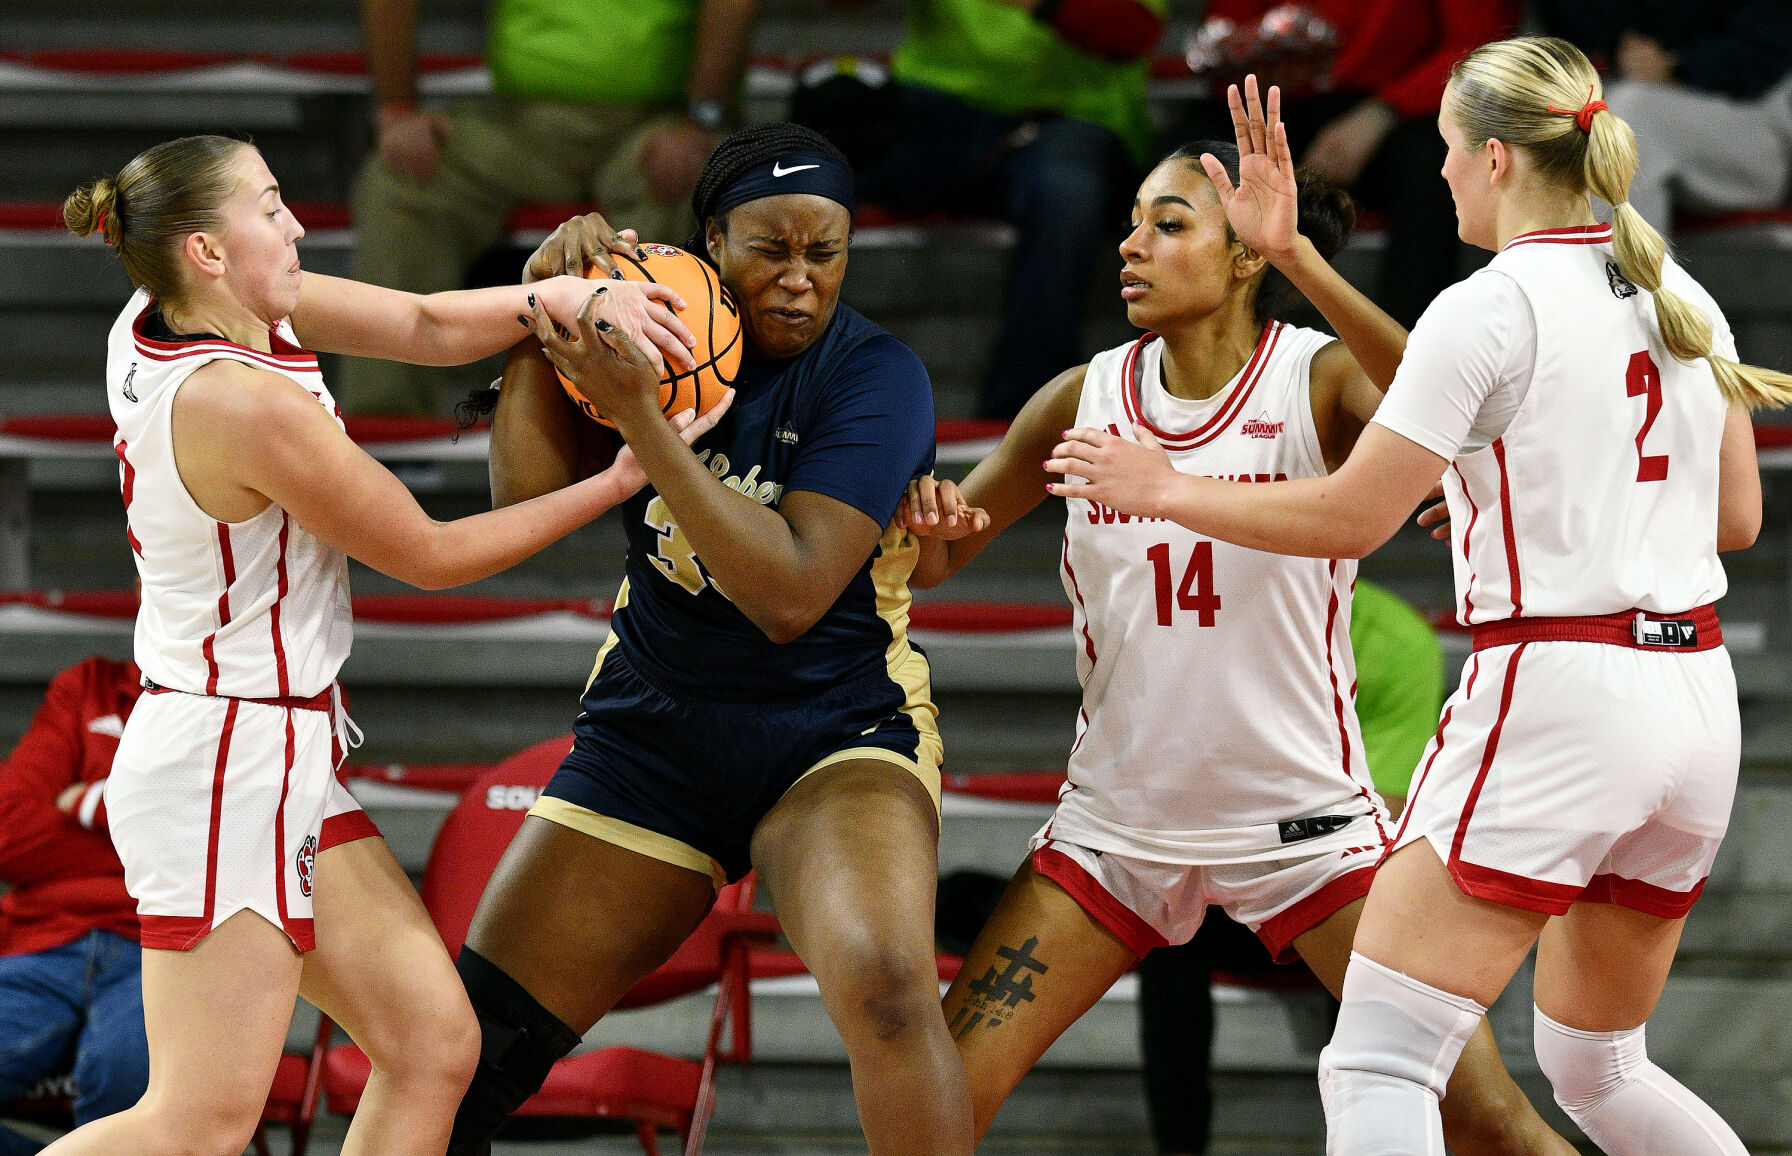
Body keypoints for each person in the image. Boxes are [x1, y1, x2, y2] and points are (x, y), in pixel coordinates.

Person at [1045, 38, 1790, 1155]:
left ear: (1494, 157)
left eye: (1443, 151)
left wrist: (1166, 486)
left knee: (1380, 1058)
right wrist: (1512, 488)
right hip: (1691, 702)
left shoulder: (1488, 304)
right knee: (1600, 1066)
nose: (1435, 173)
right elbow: (1733, 519)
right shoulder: (1675, 288)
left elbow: (1352, 516)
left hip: (1559, 692)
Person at [899, 80, 1569, 1154]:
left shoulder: (1316, 381)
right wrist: (922, 510)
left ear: (1246, 252)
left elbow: (1458, 405)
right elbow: (937, 558)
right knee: (926, 1106)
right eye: (1129, 224)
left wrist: (1307, 259)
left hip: (1305, 828)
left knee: (1490, 1119)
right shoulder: (1080, 397)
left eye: (1168, 225)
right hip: (1116, 827)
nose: (1131, 245)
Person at [45, 133, 723, 1156]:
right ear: (207, 251)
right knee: (197, 1119)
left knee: (432, 1044)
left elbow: (422, 320)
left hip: (272, 755)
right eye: (269, 208)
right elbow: (431, 552)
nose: (298, 224)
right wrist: (628, 476)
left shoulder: (170, 310)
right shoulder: (240, 402)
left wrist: (577, 301)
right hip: (226, 768)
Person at [442, 124, 964, 1156]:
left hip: (834, 730)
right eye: (770, 249)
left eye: (826, 252)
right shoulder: (648, 324)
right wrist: (550, 318)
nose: (800, 282)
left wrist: (641, 424)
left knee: (895, 991)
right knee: (462, 1053)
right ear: (711, 241)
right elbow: (522, 508)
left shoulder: (877, 376)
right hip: (655, 735)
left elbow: (791, 594)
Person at [1135, 579, 1444, 1155]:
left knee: (1372, 924)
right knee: (1165, 936)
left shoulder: (1398, 638)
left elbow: (1383, 814)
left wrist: (1257, 819)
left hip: (1336, 874)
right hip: (1225, 879)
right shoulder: (1214, 628)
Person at [342, 0, 760, 413]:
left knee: (690, 177)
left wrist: (702, 116)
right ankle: (382, 433)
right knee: (397, 181)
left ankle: (666, 413)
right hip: (520, 122)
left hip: (658, 123)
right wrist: (397, 110)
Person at [811, 0, 1165, 418]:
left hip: (1070, 116)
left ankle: (1029, 419)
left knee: (1066, 198)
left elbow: (1133, 30)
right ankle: (806, 396)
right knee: (813, 154)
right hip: (934, 101)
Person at [1179, 0, 1520, 328]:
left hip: (1392, 106)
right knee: (1190, 157)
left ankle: (1406, 356)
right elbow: (1230, 26)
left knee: (1434, 161)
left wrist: (1385, 110)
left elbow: (1477, 48)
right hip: (1275, 97)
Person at [0, 657, 146, 1156]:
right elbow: (7, 831)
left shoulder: (271, 692)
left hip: (170, 944)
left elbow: (234, 841)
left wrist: (87, 803)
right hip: (43, 942)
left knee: (134, 1087)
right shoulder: (87, 685)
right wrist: (151, 841)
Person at [1536, 0, 1792, 234]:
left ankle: (1623, 282)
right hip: (1643, 103)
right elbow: (1575, 25)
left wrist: (1677, 65)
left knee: (1625, 116)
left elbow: (1764, 53)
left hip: (1758, 126)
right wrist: (1621, 43)